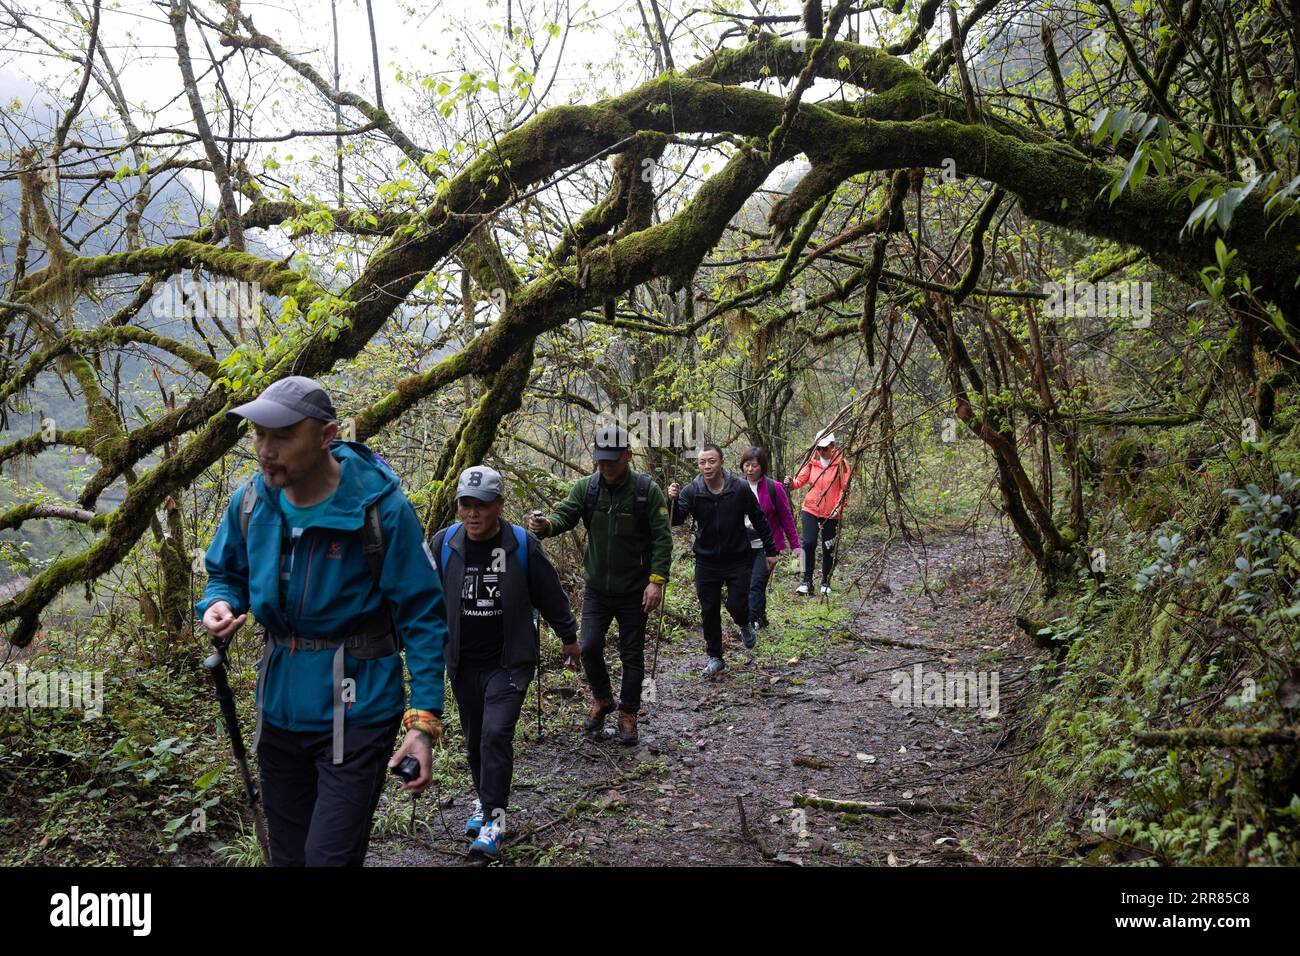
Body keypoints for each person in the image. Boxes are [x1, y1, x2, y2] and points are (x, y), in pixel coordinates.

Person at [196, 376, 447, 867]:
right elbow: (226, 571)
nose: (265, 449)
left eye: (282, 435)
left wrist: (423, 724)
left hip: (357, 707)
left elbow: (423, 614)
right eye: (258, 435)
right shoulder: (251, 502)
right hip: (279, 708)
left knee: (328, 858)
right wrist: (220, 602)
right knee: (289, 858)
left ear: (327, 434)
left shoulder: (380, 510)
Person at [431, 465, 579, 860]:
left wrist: (568, 637)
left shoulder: (522, 544)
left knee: (496, 735)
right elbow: (426, 599)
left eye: (481, 505)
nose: (473, 514)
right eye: (466, 504)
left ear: (498, 504)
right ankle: (485, 798)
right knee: (476, 737)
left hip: (509, 662)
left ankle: (494, 820)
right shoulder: (444, 544)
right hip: (462, 662)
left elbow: (550, 593)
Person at [527, 425, 672, 747]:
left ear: (628, 456)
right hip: (597, 588)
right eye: (601, 460)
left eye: (613, 461)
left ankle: (628, 712)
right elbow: (565, 514)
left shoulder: (646, 491)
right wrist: (545, 525)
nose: (606, 466)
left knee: (631, 654)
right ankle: (603, 698)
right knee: (589, 645)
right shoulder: (587, 488)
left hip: (635, 589)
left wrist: (656, 582)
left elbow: (663, 539)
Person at [667, 444, 778, 678]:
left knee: (737, 604)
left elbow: (759, 518)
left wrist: (770, 550)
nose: (706, 466)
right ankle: (715, 657)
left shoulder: (739, 488)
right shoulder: (692, 490)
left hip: (738, 557)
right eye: (702, 462)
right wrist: (672, 500)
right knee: (709, 610)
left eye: (711, 461)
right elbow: (675, 520)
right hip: (706, 561)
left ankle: (744, 623)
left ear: (721, 462)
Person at [739, 447, 800, 635]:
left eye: (754, 466)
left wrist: (796, 546)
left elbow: (786, 518)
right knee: (750, 583)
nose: (750, 469)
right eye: (747, 465)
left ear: (762, 467)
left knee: (756, 583)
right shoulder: (735, 486)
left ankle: (750, 623)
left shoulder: (775, 488)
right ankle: (761, 617)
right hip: (742, 544)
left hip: (767, 545)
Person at [784, 429, 853, 596]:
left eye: (824, 448)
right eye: (818, 448)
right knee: (808, 543)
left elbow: (846, 488)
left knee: (828, 546)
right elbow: (800, 481)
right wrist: (790, 483)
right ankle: (806, 581)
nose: (821, 452)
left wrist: (839, 507)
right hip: (810, 508)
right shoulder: (811, 461)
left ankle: (825, 582)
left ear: (832, 446)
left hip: (831, 512)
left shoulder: (841, 463)